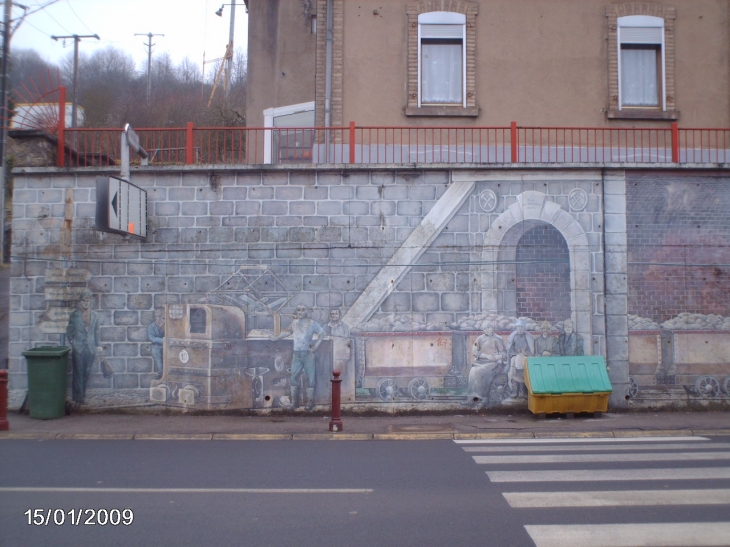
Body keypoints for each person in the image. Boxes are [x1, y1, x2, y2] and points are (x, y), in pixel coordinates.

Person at [271, 304, 325, 410]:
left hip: (308, 354)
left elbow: (322, 333)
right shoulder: (295, 323)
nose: (300, 312)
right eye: (298, 310)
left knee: (310, 378)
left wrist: (315, 346)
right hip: (297, 354)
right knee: (293, 378)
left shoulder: (312, 323)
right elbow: (288, 332)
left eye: (303, 310)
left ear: (307, 311)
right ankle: (294, 403)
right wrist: (276, 338)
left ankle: (310, 403)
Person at [66, 289, 102, 406]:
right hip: (79, 348)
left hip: (90, 348)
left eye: (88, 300)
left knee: (86, 373)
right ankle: (78, 398)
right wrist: (73, 342)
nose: (86, 303)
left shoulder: (95, 315)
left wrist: (99, 345)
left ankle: (83, 396)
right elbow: (70, 330)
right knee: (78, 373)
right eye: (83, 300)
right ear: (80, 302)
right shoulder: (74, 315)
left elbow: (97, 331)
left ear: (90, 301)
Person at [464, 321, 506, 408]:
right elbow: (475, 351)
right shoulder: (479, 339)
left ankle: (483, 398)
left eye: (488, 327)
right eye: (485, 328)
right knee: (473, 371)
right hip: (481, 361)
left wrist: (497, 357)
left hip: (493, 363)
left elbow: (504, 353)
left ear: (492, 327)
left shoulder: (497, 339)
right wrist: (486, 356)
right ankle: (471, 397)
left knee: (481, 371)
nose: (487, 330)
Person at [506, 319, 534, 399]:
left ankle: (523, 390)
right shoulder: (513, 337)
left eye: (521, 327)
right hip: (515, 356)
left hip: (526, 356)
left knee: (521, 362)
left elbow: (531, 350)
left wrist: (525, 353)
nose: (520, 329)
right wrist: (516, 352)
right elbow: (510, 349)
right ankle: (514, 389)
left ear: (524, 328)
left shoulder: (528, 337)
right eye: (518, 327)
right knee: (513, 365)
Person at [148, 309, 165, 379]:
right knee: (155, 351)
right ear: (155, 317)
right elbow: (152, 338)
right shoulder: (151, 327)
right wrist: (163, 340)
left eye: (163, 317)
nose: (160, 319)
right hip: (158, 346)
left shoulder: (169, 326)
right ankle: (161, 371)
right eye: (158, 317)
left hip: (168, 346)